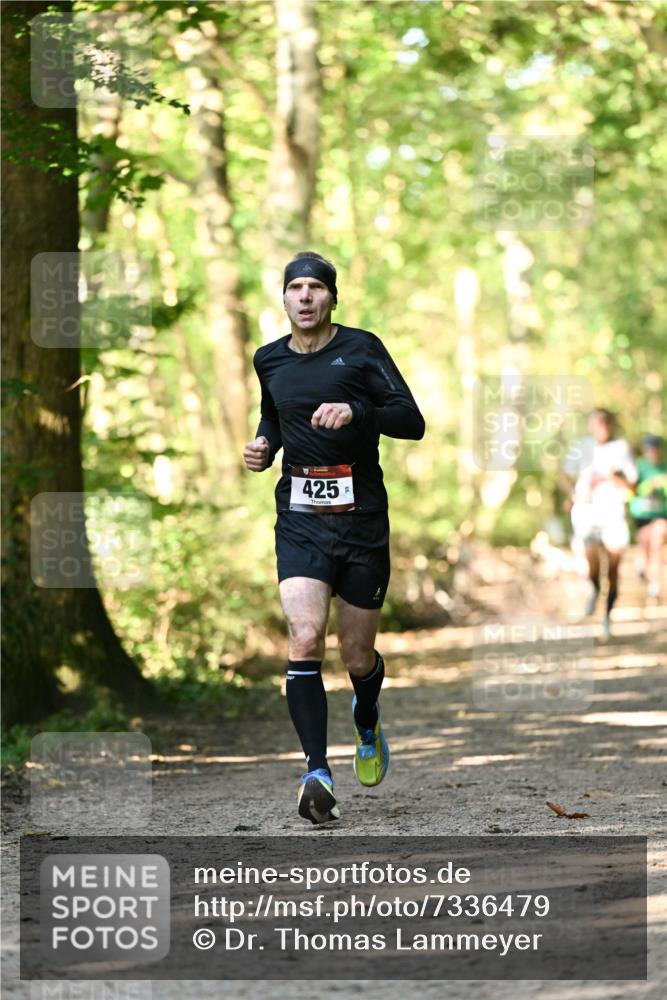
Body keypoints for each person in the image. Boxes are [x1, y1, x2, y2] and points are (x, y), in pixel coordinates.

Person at [243, 251, 425, 824]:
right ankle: (316, 770)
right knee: (302, 636)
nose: (304, 297)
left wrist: (356, 409)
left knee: (356, 653)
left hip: (362, 518)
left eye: (314, 288)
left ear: (331, 298)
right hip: (300, 516)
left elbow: (411, 420)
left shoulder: (363, 348)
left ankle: (366, 718)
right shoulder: (268, 360)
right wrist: (262, 445)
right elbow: (274, 417)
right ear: (284, 297)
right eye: (294, 287)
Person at [561, 408, 638, 638]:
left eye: (605, 424)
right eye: (596, 424)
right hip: (587, 515)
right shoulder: (581, 447)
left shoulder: (621, 448)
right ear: (590, 426)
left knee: (613, 569)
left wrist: (617, 478)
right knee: (592, 566)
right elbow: (564, 474)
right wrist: (574, 495)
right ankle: (594, 589)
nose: (601, 428)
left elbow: (632, 485)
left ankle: (607, 617)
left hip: (613, 515)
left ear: (611, 425)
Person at [628, 434, 667, 602]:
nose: (653, 453)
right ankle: (642, 565)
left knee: (658, 542)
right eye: (649, 450)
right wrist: (649, 486)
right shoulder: (638, 467)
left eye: (655, 449)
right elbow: (631, 491)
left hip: (661, 515)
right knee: (646, 548)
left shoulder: (664, 467)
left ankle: (655, 584)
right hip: (642, 515)